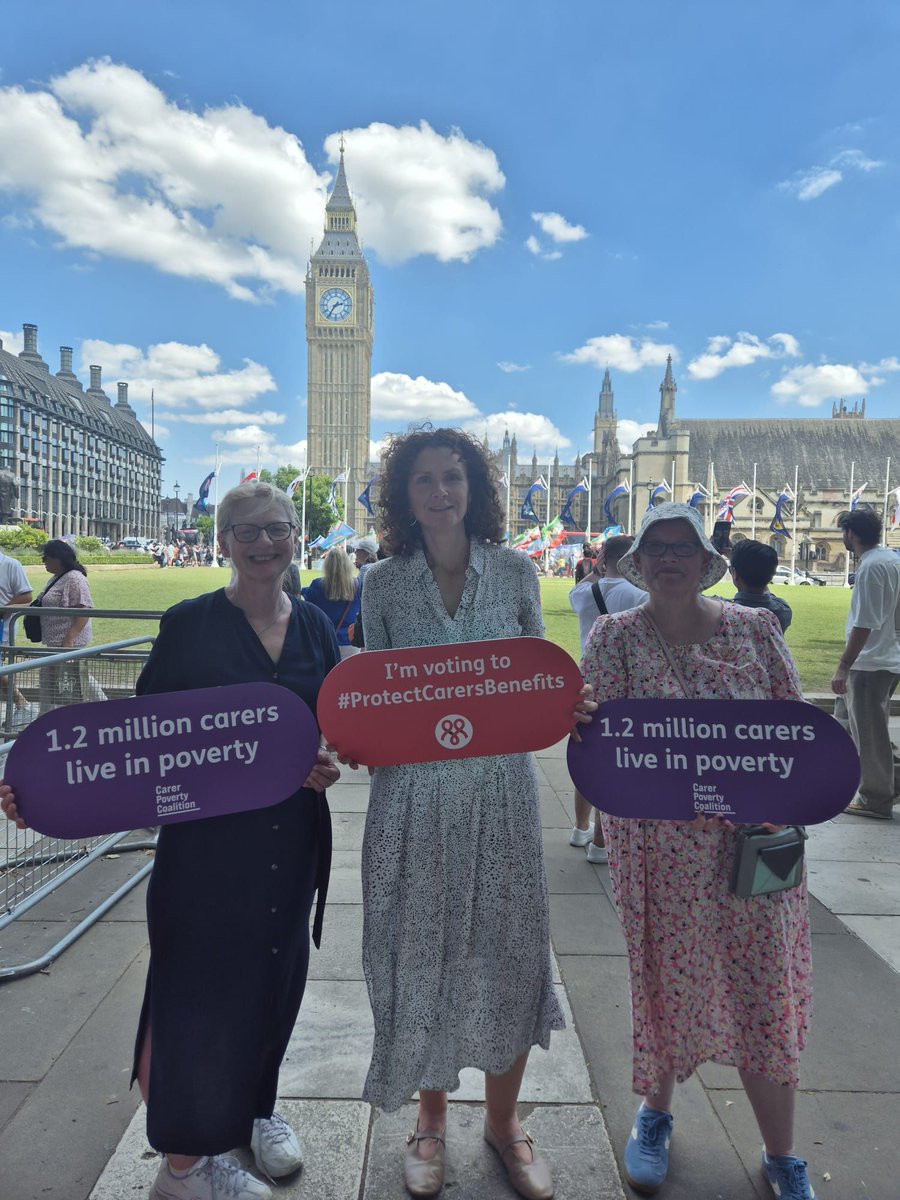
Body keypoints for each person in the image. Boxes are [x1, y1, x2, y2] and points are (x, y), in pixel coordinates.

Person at [4, 481, 342, 1200]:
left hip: (291, 842)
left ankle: (255, 1111)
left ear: (295, 538)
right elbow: (135, 741)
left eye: (276, 528)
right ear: (221, 543)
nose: (262, 543)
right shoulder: (190, 624)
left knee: (274, 983)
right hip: (208, 850)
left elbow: (333, 726)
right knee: (199, 993)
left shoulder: (314, 626)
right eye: (244, 531)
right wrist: (42, 795)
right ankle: (186, 1163)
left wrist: (324, 758)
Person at [342, 427, 593, 1200]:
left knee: (510, 952)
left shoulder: (517, 572)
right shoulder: (381, 584)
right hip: (413, 803)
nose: (441, 492)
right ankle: (428, 1121)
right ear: (404, 496)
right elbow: (376, 699)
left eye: (454, 477)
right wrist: (356, 732)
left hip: (501, 800)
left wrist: (572, 705)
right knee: (421, 954)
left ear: (475, 489)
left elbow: (540, 682)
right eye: (424, 480)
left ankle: (504, 1122)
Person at [581, 502, 815, 1200]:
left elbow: (795, 734)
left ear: (707, 562)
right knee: (661, 982)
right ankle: (655, 1115)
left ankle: (784, 1155)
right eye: (658, 549)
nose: (671, 559)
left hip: (753, 846)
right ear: (640, 564)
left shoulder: (756, 630)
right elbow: (602, 748)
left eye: (684, 547)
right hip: (659, 852)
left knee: (763, 988)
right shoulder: (615, 639)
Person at [567, 535, 647, 863]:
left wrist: (597, 566)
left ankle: (580, 827)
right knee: (613, 762)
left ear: (602, 560)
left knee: (588, 757)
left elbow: (582, 585)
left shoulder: (584, 592)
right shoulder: (641, 594)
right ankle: (600, 844)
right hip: (623, 682)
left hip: (586, 681)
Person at [832, 509, 900, 819]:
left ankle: (876, 798)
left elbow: (865, 623)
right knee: (858, 728)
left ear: (852, 534)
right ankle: (879, 782)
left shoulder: (871, 568)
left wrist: (843, 666)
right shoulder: (891, 560)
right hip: (885, 658)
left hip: (869, 663)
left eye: (844, 532)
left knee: (869, 734)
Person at [36, 539, 94, 712]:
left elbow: (84, 609)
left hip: (67, 643)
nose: (43, 562)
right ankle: (109, 709)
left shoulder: (75, 579)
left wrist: (69, 639)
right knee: (80, 679)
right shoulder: (57, 578)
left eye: (45, 557)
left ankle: (43, 718)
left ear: (57, 558)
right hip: (56, 641)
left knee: (74, 679)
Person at [302, 545, 361, 659]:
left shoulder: (318, 585)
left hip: (325, 640)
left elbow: (307, 600)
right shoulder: (358, 585)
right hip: (351, 641)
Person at [0, 545, 35, 726]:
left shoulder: (10, 565)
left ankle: (23, 704)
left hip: (2, 627)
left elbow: (26, 596)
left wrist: (3, 609)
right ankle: (23, 705)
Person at [730, 539, 792, 633]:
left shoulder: (721, 612)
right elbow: (765, 591)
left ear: (734, 574)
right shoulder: (782, 611)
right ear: (773, 573)